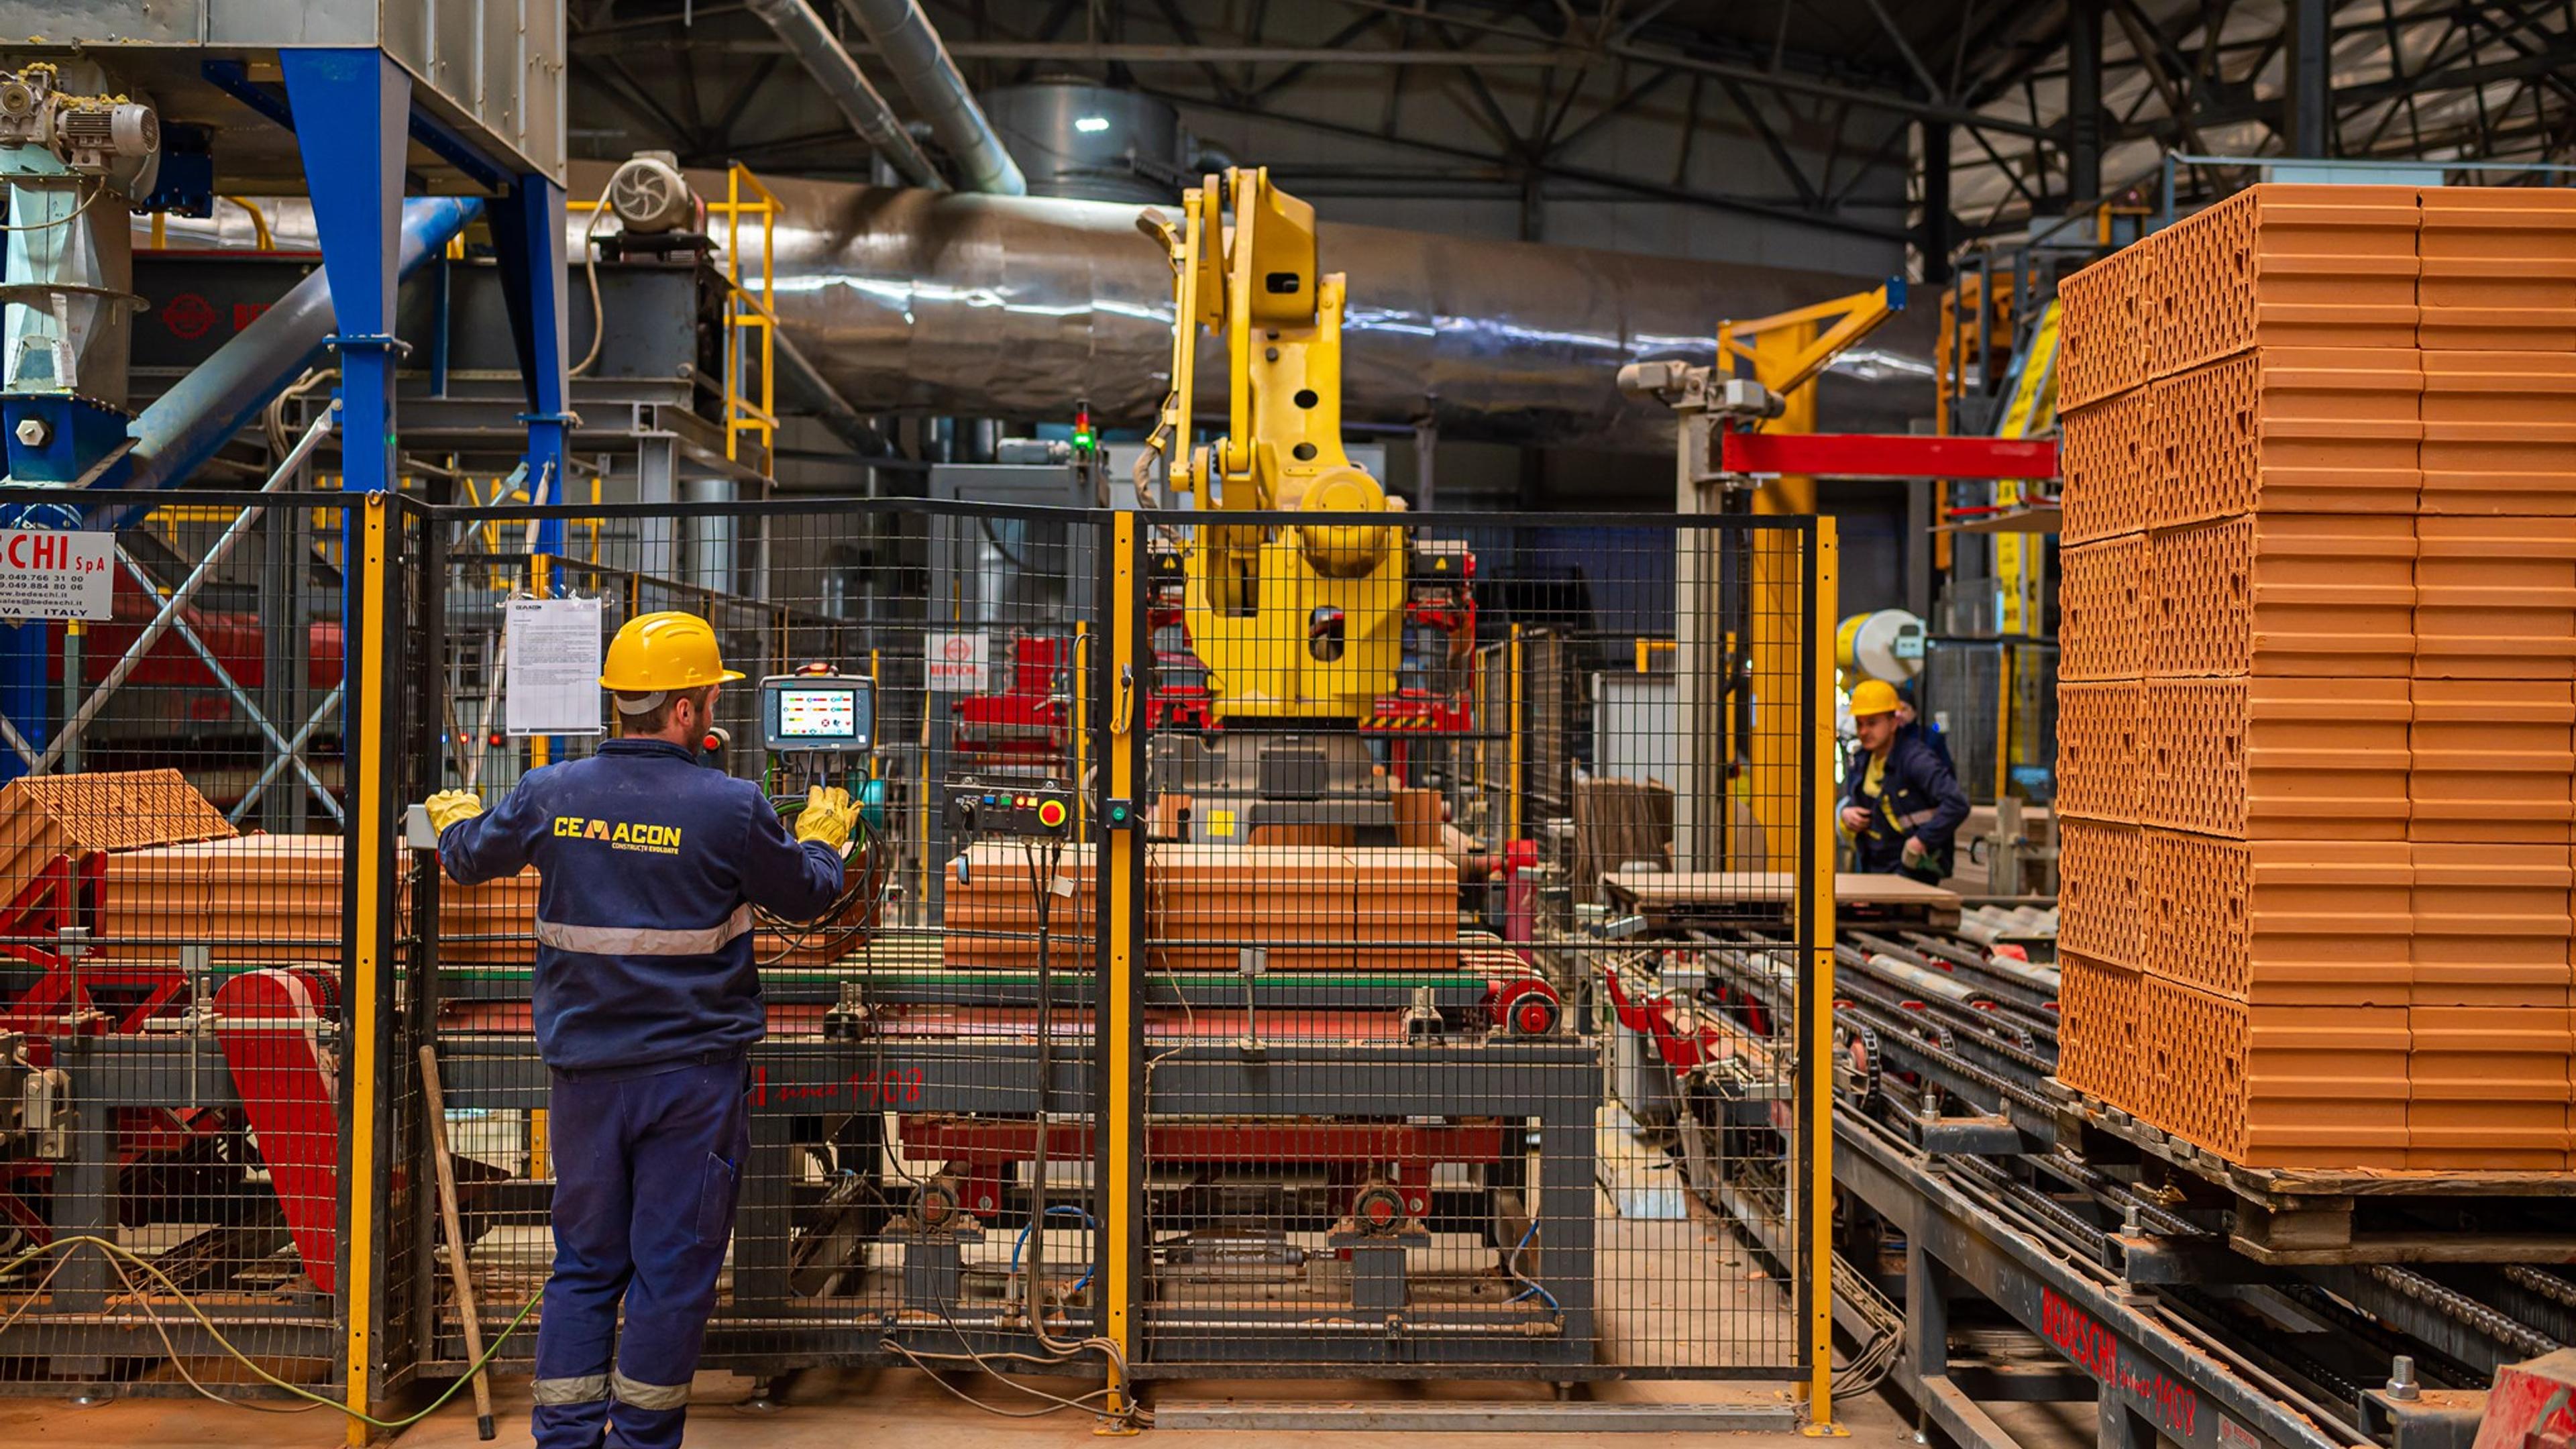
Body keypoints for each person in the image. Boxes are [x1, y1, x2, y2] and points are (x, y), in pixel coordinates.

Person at [420, 611, 856, 1449]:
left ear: (621, 702)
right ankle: (640, 1444)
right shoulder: (732, 807)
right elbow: (806, 893)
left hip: (584, 1076)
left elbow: (470, 857)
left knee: (584, 1266)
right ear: (689, 710)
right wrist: (823, 837)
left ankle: (567, 1437)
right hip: (691, 1084)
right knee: (671, 1276)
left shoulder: (551, 794)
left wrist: (454, 819)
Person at [1838, 677, 1969, 885]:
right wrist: (1847, 813)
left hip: (1912, 872)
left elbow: (1957, 804)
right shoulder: (1863, 759)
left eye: (1872, 723)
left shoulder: (1916, 760)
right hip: (1874, 867)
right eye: (1860, 724)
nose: (1864, 731)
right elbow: (1860, 802)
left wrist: (1921, 841)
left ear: (1893, 722)